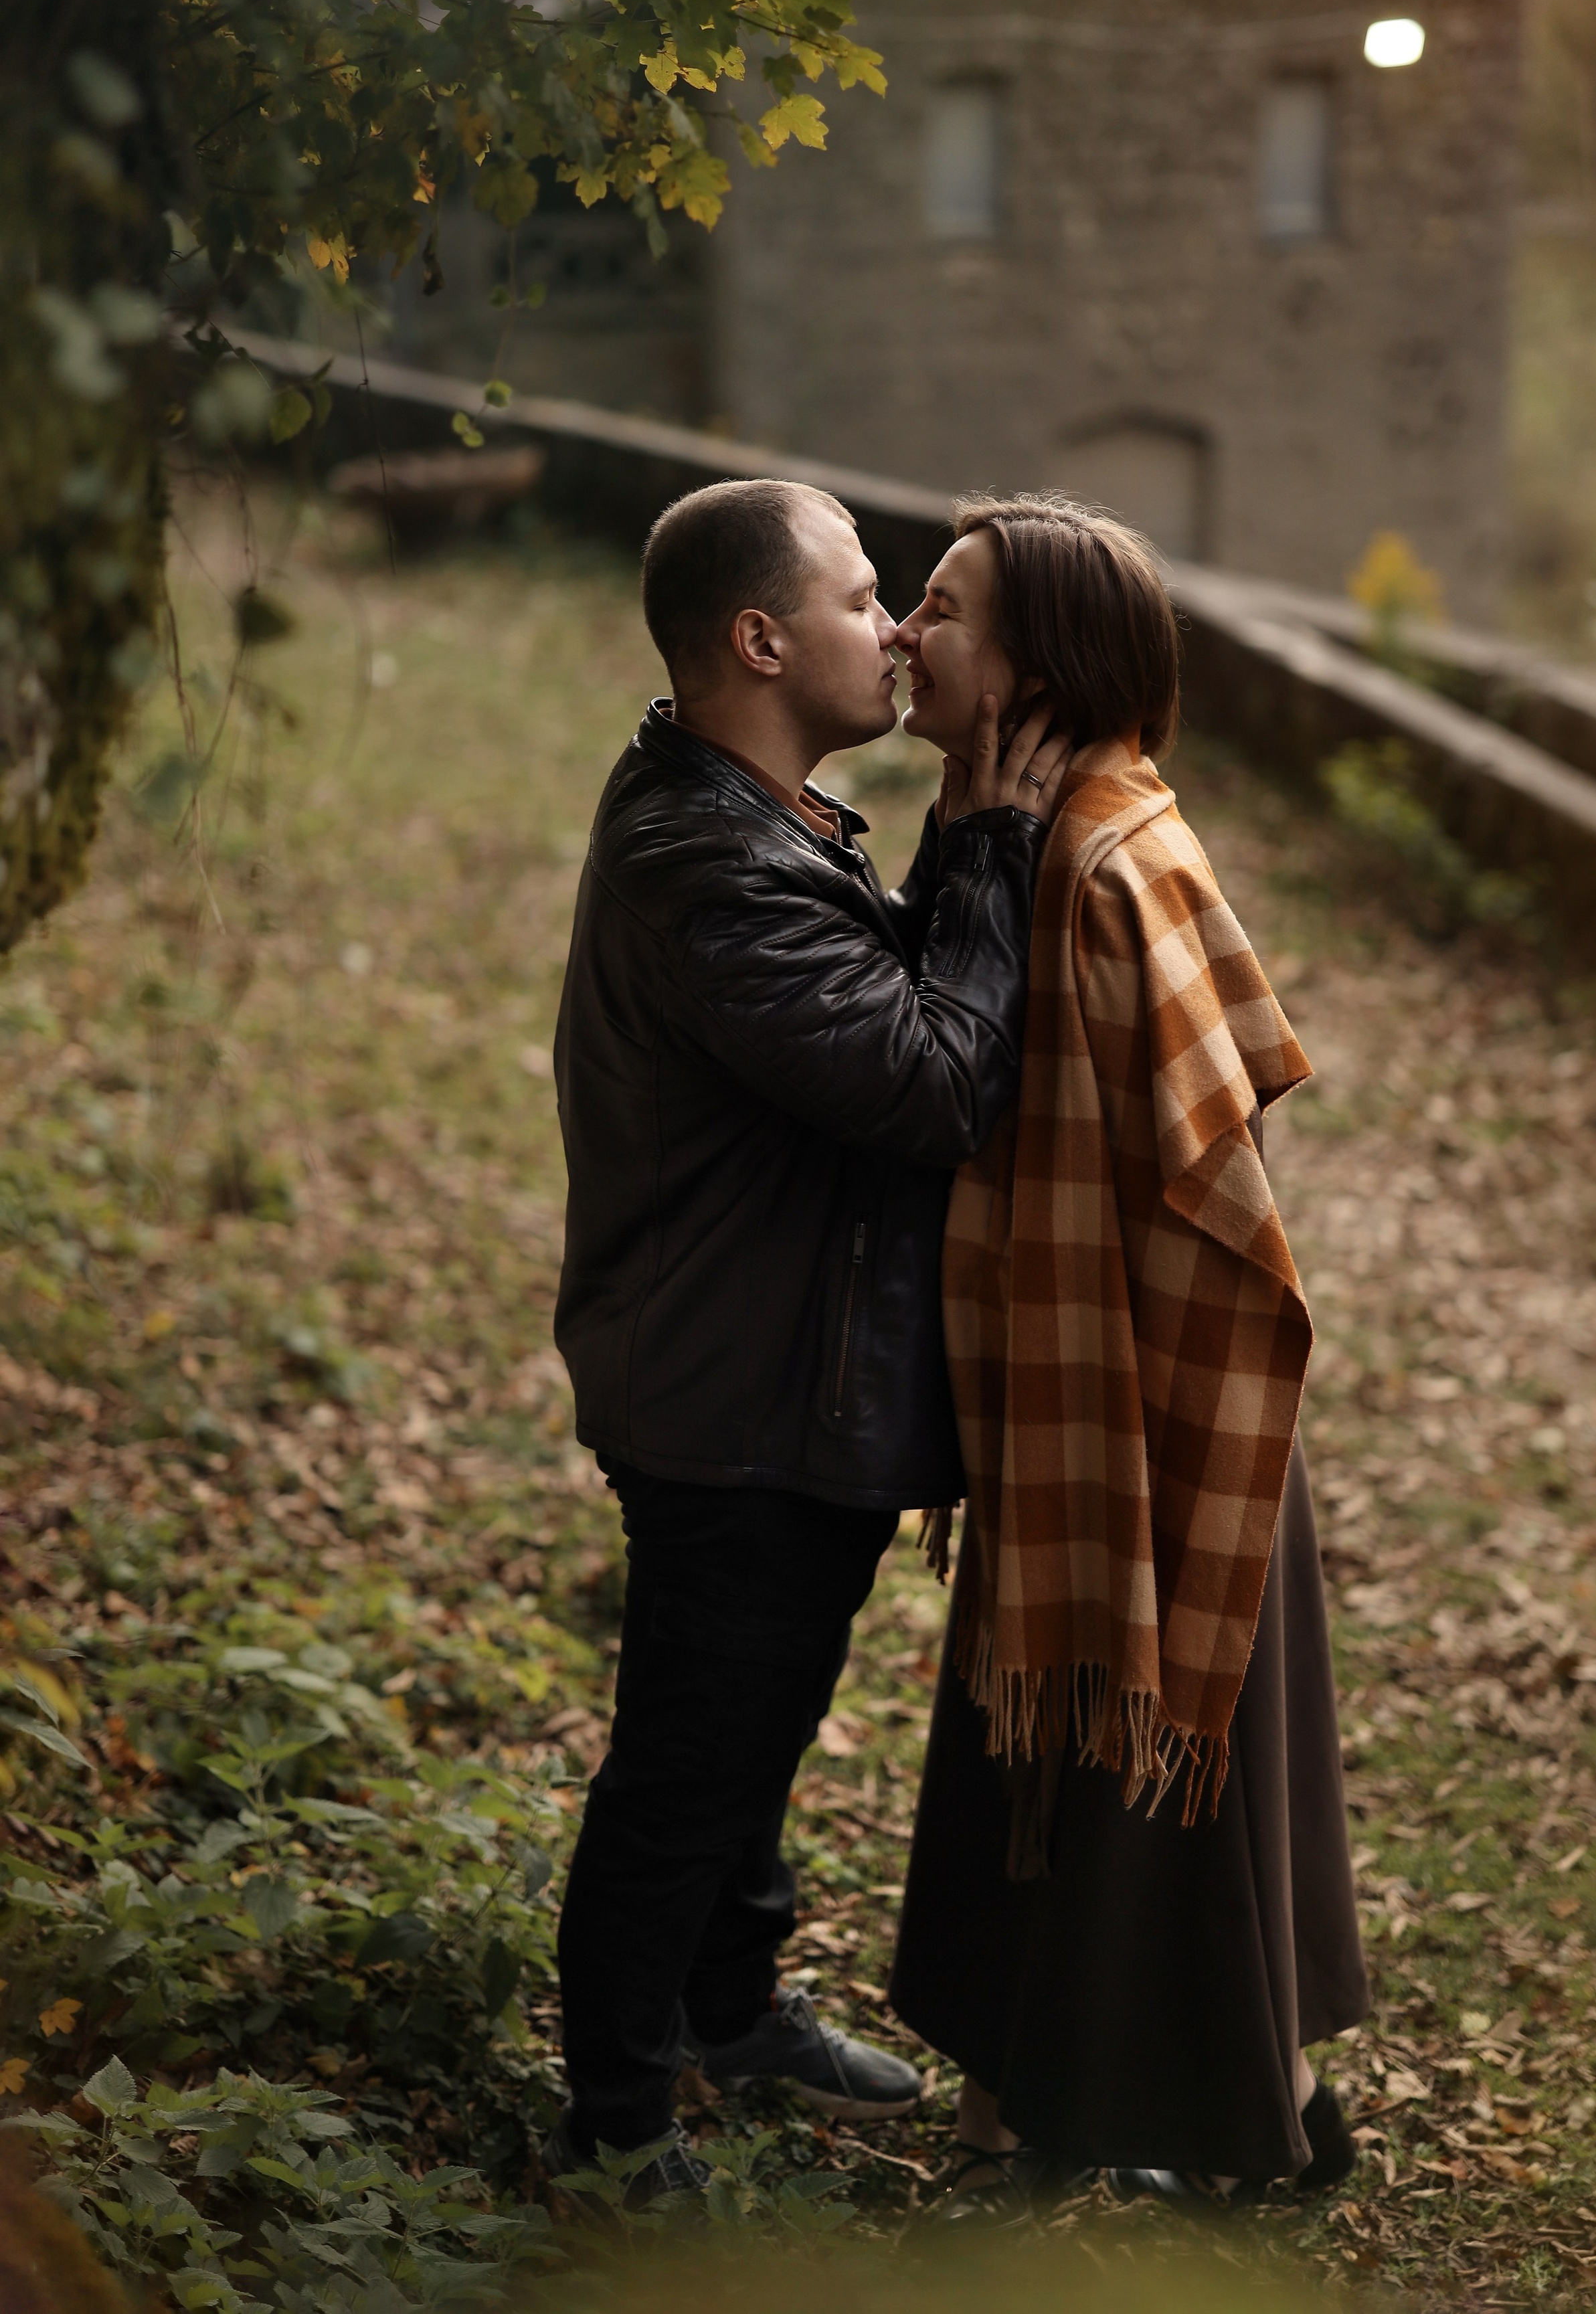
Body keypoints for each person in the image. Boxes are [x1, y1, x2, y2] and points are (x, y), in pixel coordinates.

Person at [546, 476, 1071, 2201]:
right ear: (760, 639)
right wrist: (987, 834)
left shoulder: (753, 810)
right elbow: (930, 1082)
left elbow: (885, 1013)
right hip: (729, 1396)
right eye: (866, 600)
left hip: (774, 1369)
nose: (903, 628)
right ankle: (620, 2114)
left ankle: (731, 2007)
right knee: (691, 1754)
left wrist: (955, 844)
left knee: (755, 1728)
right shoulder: (705, 858)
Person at [886, 494, 1369, 2212]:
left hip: (1155, 1391)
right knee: (1088, 1737)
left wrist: (1131, 1381)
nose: (901, 631)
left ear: (1034, 663)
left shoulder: (1090, 855)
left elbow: (1184, 1155)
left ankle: (1143, 2119)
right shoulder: (1030, 821)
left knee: (1152, 1744)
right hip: (1092, 1378)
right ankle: (1141, 2108)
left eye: (938, 608)